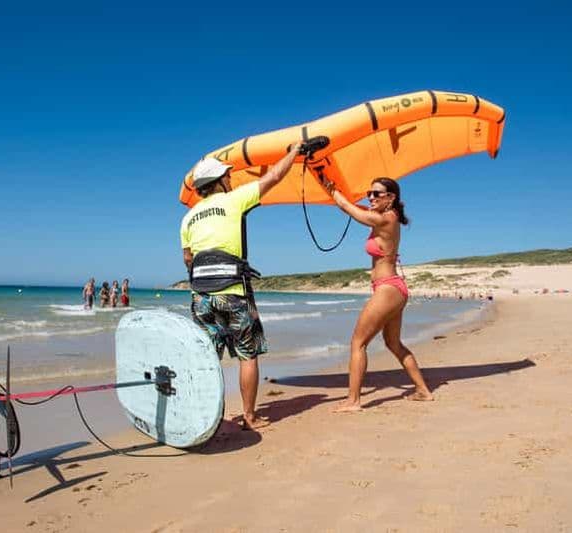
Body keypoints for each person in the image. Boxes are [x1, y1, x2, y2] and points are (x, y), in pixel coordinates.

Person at [180, 142, 303, 429]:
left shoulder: (187, 217)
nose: (231, 179)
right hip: (233, 293)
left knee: (208, 359)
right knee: (247, 354)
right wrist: (294, 152)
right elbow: (272, 178)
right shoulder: (234, 200)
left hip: (201, 299)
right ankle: (249, 416)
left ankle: (209, 419)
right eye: (227, 176)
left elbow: (188, 259)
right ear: (219, 181)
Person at [317, 175, 433, 411]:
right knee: (393, 343)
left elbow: (349, 208)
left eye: (376, 194)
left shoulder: (385, 219)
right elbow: (352, 208)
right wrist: (338, 192)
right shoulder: (384, 217)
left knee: (358, 343)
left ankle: (353, 401)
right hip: (392, 288)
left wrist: (330, 188)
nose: (370, 197)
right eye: (369, 193)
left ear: (390, 198)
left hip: (388, 288)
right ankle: (423, 391)